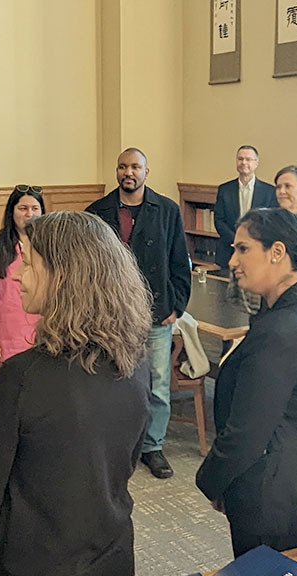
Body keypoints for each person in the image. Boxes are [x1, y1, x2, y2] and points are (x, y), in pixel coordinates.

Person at [0, 210, 152, 576]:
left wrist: (14, 551)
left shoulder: (21, 377)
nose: (16, 274)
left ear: (63, 276)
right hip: (109, 565)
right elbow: (125, 464)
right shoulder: (135, 363)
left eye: (28, 262)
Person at [196, 208, 297, 558]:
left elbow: (248, 432)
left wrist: (211, 481)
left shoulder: (282, 330)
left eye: (243, 249)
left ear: (277, 252)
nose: (233, 260)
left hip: (279, 495)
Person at [86, 148, 191, 480]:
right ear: (116, 171)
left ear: (147, 172)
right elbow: (87, 267)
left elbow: (180, 262)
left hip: (156, 312)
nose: (128, 172)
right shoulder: (97, 212)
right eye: (122, 166)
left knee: (157, 384)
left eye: (135, 167)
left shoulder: (168, 210)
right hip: (111, 315)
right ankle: (115, 443)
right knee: (112, 380)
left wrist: (177, 307)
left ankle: (152, 446)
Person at [0, 185, 44, 365]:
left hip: (44, 332)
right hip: (7, 333)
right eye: (23, 208)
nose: (29, 214)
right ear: (11, 212)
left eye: (35, 208)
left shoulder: (51, 243)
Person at [213, 145, 278, 270]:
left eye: (248, 159)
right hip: (228, 250)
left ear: (256, 163)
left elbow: (271, 223)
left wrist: (251, 243)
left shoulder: (269, 192)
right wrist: (237, 241)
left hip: (258, 251)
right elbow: (219, 220)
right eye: (240, 159)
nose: (244, 162)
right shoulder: (224, 189)